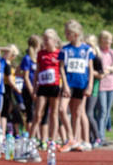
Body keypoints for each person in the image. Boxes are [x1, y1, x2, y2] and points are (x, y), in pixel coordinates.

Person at [58, 20, 95, 152]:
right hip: (69, 84)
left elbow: (90, 69)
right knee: (62, 109)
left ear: (76, 34)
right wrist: (65, 85)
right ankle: (70, 137)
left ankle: (77, 140)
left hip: (81, 83)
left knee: (77, 113)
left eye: (68, 33)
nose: (66, 35)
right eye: (66, 33)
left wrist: (90, 85)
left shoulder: (87, 50)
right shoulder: (65, 49)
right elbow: (61, 68)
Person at [29, 29, 63, 146]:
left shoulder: (59, 54)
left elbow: (62, 71)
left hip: (55, 86)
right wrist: (34, 89)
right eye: (44, 39)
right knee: (38, 113)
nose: (45, 41)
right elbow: (37, 72)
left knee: (54, 113)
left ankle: (52, 140)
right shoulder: (40, 54)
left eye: (47, 39)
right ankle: (31, 139)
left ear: (54, 41)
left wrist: (64, 87)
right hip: (43, 87)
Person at [96, 30, 113, 143]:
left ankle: (102, 134)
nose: (110, 43)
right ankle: (99, 136)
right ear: (102, 40)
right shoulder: (97, 52)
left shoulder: (112, 53)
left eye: (111, 41)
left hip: (111, 85)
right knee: (102, 111)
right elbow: (98, 69)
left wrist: (108, 69)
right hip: (101, 85)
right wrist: (108, 69)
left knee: (107, 111)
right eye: (108, 41)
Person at [84, 34, 104, 147]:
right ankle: (89, 137)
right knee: (84, 114)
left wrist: (91, 73)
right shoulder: (84, 58)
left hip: (94, 89)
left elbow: (101, 75)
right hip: (83, 87)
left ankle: (98, 137)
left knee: (89, 113)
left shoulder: (96, 59)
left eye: (89, 45)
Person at [18, 35, 40, 135]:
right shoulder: (27, 58)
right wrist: (31, 90)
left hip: (38, 88)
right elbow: (25, 76)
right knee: (30, 113)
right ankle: (30, 135)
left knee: (38, 113)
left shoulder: (38, 58)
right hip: (28, 89)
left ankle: (38, 135)